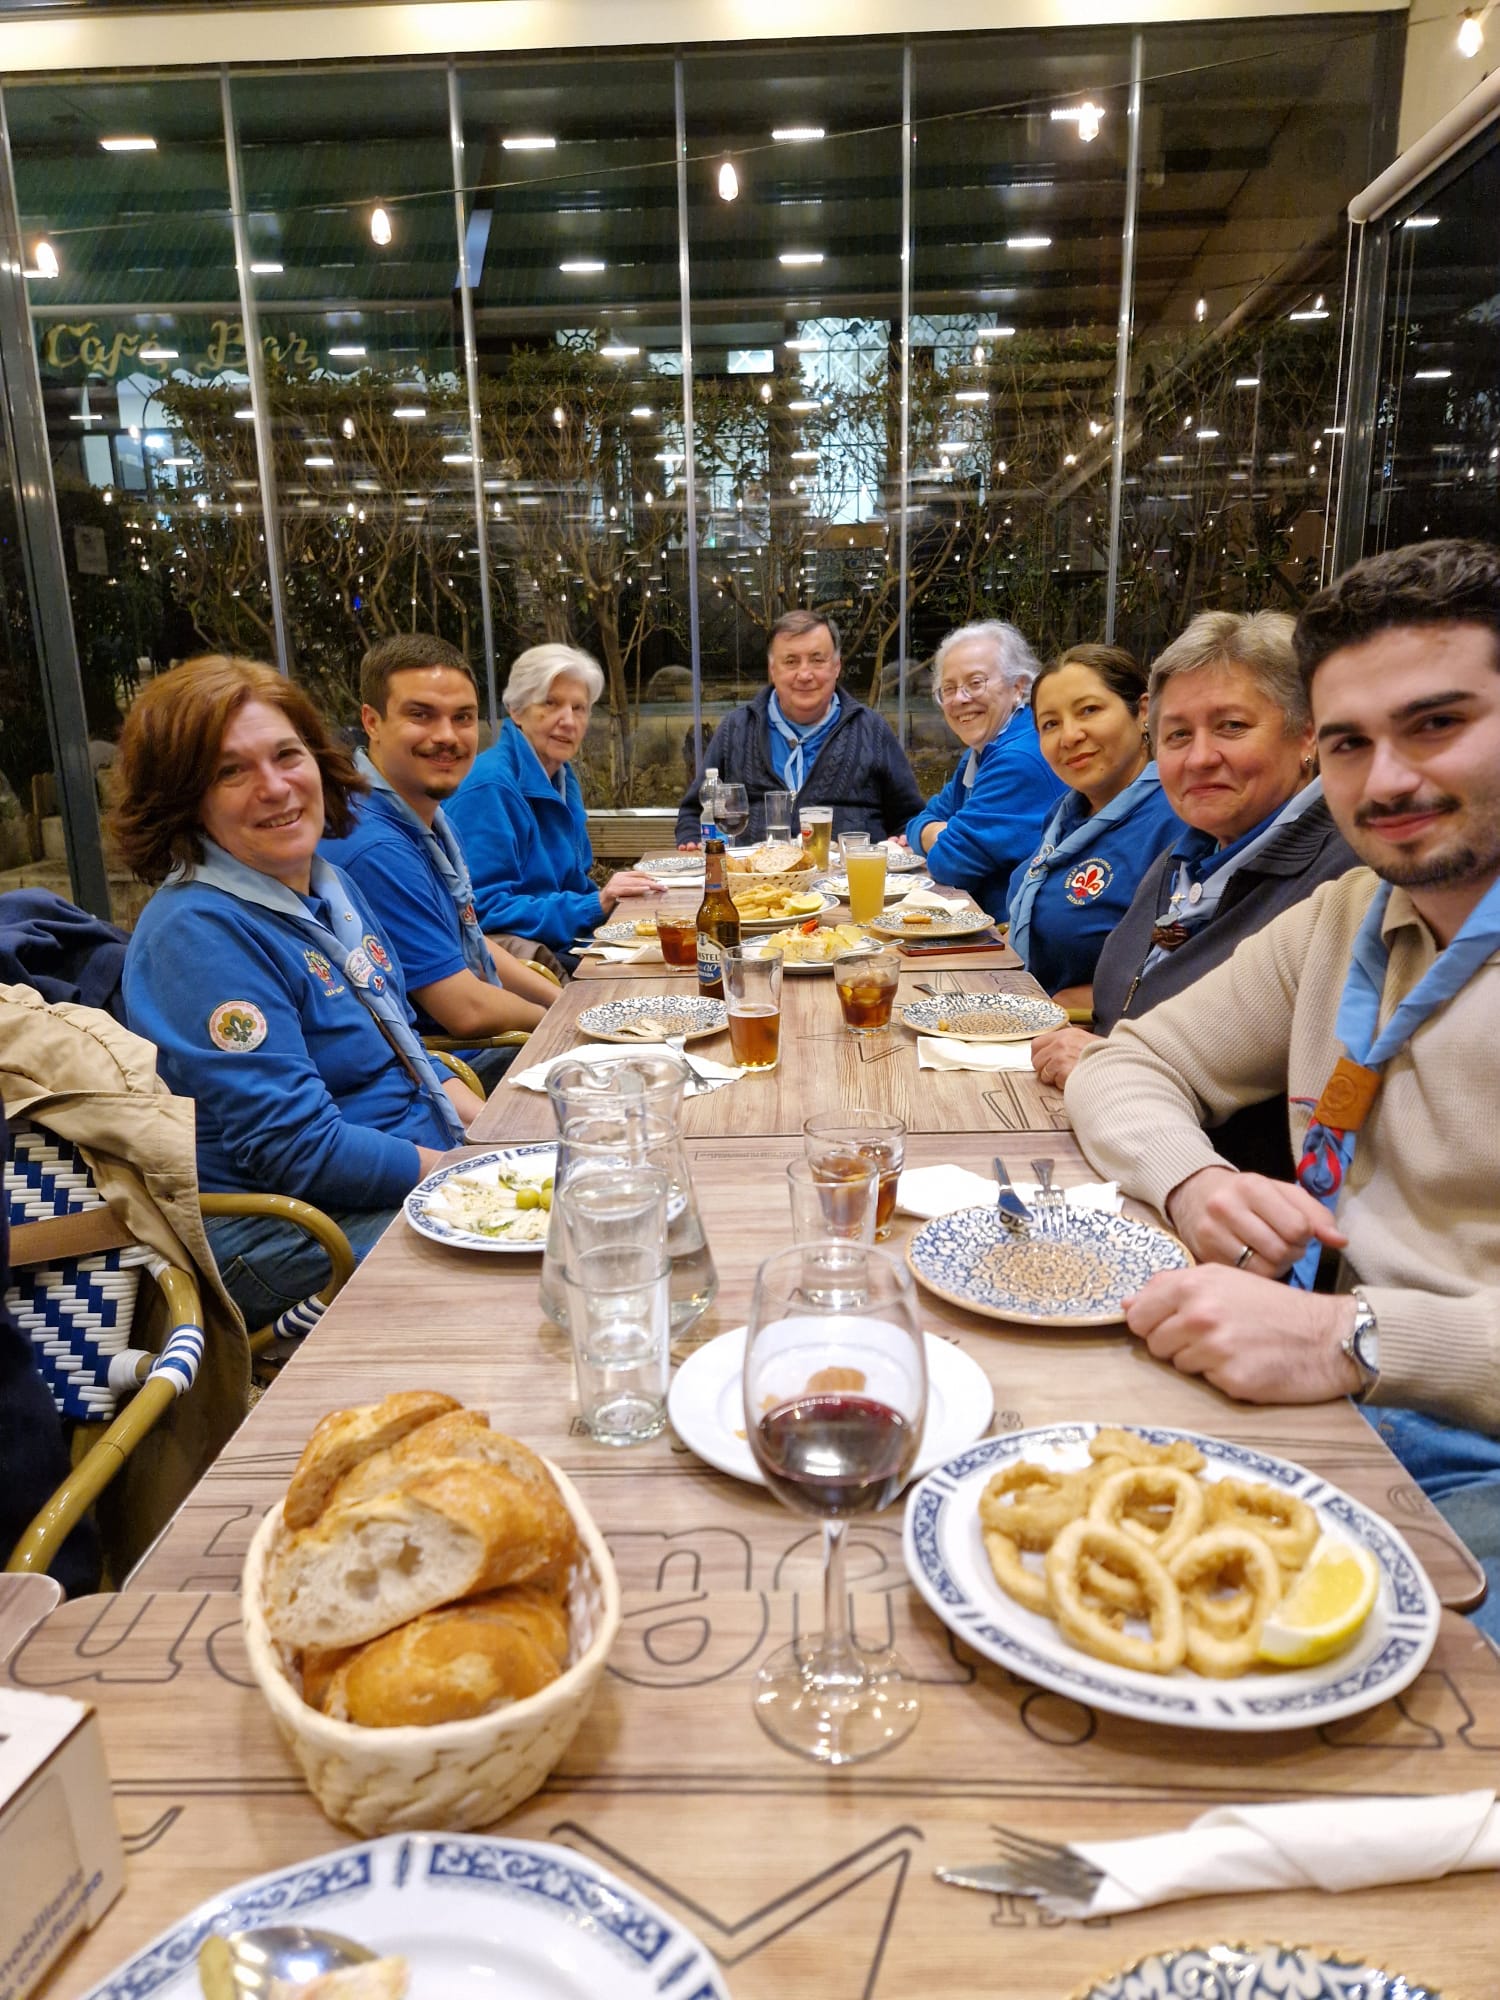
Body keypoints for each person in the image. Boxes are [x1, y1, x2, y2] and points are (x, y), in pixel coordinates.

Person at [1065, 537, 1500, 1637]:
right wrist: (1193, 1181)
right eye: (1352, 741)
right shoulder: (1350, 914)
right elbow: (1128, 1061)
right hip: (1323, 1391)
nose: (1386, 779)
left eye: (1436, 724)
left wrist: (1350, 1336)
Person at [116, 655, 474, 1327]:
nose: (275, 787)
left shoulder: (327, 885)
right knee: (550, 1255)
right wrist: (468, 1178)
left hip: (403, 1174)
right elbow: (299, 1151)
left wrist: (500, 1138)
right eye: (230, 772)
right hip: (293, 1228)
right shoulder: (197, 933)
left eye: (287, 755)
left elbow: (404, 1048)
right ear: (182, 800)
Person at [1029, 611, 1356, 1177]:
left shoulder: (1345, 877)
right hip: (1107, 1141)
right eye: (1179, 735)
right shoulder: (1190, 855)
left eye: (1231, 726)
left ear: (1308, 732)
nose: (1200, 757)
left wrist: (1109, 1061)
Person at [320, 635, 556, 1087]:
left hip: (478, 1042)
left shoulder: (420, 814)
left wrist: (563, 1001)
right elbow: (465, 1012)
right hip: (445, 1069)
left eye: (462, 717)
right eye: (421, 715)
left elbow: (469, 938)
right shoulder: (374, 845)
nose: (447, 736)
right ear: (372, 721)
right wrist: (558, 1020)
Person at [448, 642, 663, 963]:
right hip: (523, 963)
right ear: (516, 711)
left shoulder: (561, 776)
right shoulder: (490, 786)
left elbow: (573, 883)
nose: (568, 720)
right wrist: (595, 904)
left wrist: (612, 900)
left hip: (563, 943)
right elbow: (484, 910)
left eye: (579, 708)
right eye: (551, 703)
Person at [1005, 644, 1184, 1004]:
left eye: (1089, 710)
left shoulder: (1177, 818)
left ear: (1144, 712)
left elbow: (1191, 963)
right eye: (1051, 724)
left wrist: (1098, 998)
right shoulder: (1066, 813)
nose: (1069, 736)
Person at [674, 610, 924, 846]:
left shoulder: (872, 730)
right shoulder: (736, 729)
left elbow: (909, 819)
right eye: (791, 661)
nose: (804, 674)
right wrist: (693, 844)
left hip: (849, 876)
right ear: (773, 670)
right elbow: (694, 814)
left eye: (817, 660)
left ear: (836, 666)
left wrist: (904, 842)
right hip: (753, 877)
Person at [903, 620, 1067, 920]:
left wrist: (941, 834)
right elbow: (919, 820)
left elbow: (950, 862)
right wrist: (937, 831)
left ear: (1018, 687)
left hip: (1015, 936)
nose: (959, 698)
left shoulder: (1019, 758)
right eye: (948, 689)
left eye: (975, 683)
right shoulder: (981, 751)